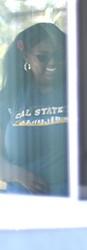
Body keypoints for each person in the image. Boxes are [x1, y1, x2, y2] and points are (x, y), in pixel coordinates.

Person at [0, 22, 68, 196]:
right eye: (43, 57)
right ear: (25, 55)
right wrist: (18, 174)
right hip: (23, 205)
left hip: (72, 201)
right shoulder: (9, 98)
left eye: (59, 55)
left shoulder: (79, 93)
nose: (53, 63)